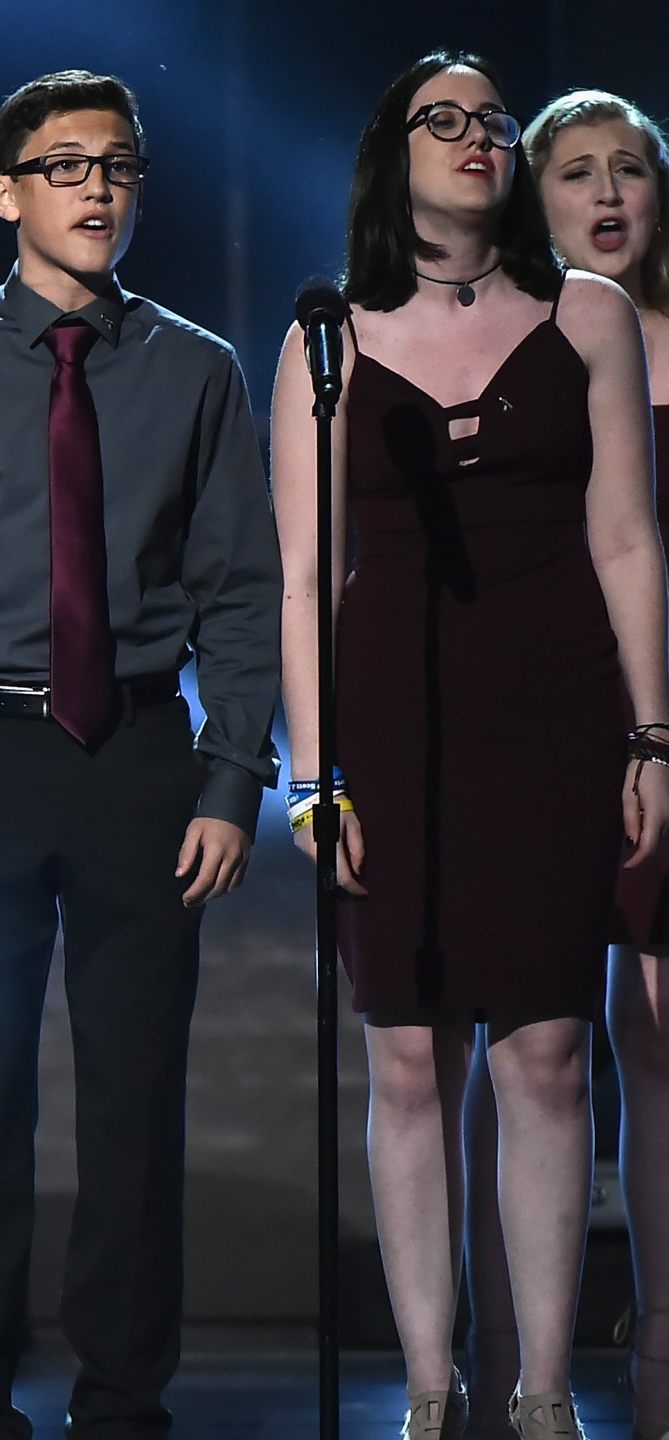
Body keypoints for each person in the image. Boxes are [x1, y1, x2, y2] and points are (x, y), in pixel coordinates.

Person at [0, 71, 279, 1440]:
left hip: (142, 753)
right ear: (3, 191)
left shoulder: (195, 367)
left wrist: (230, 776)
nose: (97, 188)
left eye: (120, 165)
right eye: (67, 164)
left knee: (136, 1102)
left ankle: (122, 1398)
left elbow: (243, 594)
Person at [273, 52, 669, 1440]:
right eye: (447, 120)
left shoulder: (591, 316)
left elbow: (627, 534)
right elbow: (305, 577)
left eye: (495, 121)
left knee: (549, 1054)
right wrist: (313, 776)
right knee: (404, 1059)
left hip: (556, 706)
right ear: (396, 154)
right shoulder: (328, 339)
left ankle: (547, 1388)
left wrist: (652, 732)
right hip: (392, 717)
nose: (480, 140)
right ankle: (432, 1390)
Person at [452, 86, 669, 1438]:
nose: (607, 194)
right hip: (541, 712)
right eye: (576, 170)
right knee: (520, 1029)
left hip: (652, 718)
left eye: (630, 170)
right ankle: (495, 1342)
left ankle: (657, 1337)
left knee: (653, 1035)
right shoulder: (524, 337)